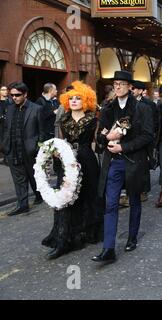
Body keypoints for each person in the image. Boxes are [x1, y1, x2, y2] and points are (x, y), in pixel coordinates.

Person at [92, 70, 154, 263]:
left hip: (133, 161)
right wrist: (106, 137)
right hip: (113, 162)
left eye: (122, 84)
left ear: (130, 87)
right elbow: (99, 137)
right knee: (111, 204)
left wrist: (123, 146)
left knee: (134, 199)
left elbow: (147, 135)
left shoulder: (142, 108)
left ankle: (132, 237)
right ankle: (108, 248)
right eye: (115, 83)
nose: (117, 87)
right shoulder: (108, 108)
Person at [41, 81, 103, 259]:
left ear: (86, 100)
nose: (74, 101)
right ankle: (62, 239)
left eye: (78, 98)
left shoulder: (94, 118)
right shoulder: (64, 119)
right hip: (67, 161)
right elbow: (59, 141)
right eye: (71, 98)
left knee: (87, 196)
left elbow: (97, 143)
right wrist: (55, 154)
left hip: (86, 159)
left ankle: (86, 232)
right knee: (65, 198)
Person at [3, 82, 44, 216]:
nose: (14, 97)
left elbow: (42, 132)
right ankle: (23, 205)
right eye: (12, 95)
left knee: (33, 177)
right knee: (19, 179)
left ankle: (39, 195)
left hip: (30, 151)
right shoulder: (9, 109)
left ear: (25, 94)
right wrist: (4, 146)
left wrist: (38, 148)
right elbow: (6, 128)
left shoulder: (36, 109)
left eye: (17, 95)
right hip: (13, 150)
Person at [0, 85, 11, 160]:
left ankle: (6, 158)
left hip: (7, 123)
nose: (5, 91)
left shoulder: (10, 101)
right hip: (0, 123)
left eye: (6, 90)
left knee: (7, 139)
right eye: (3, 90)